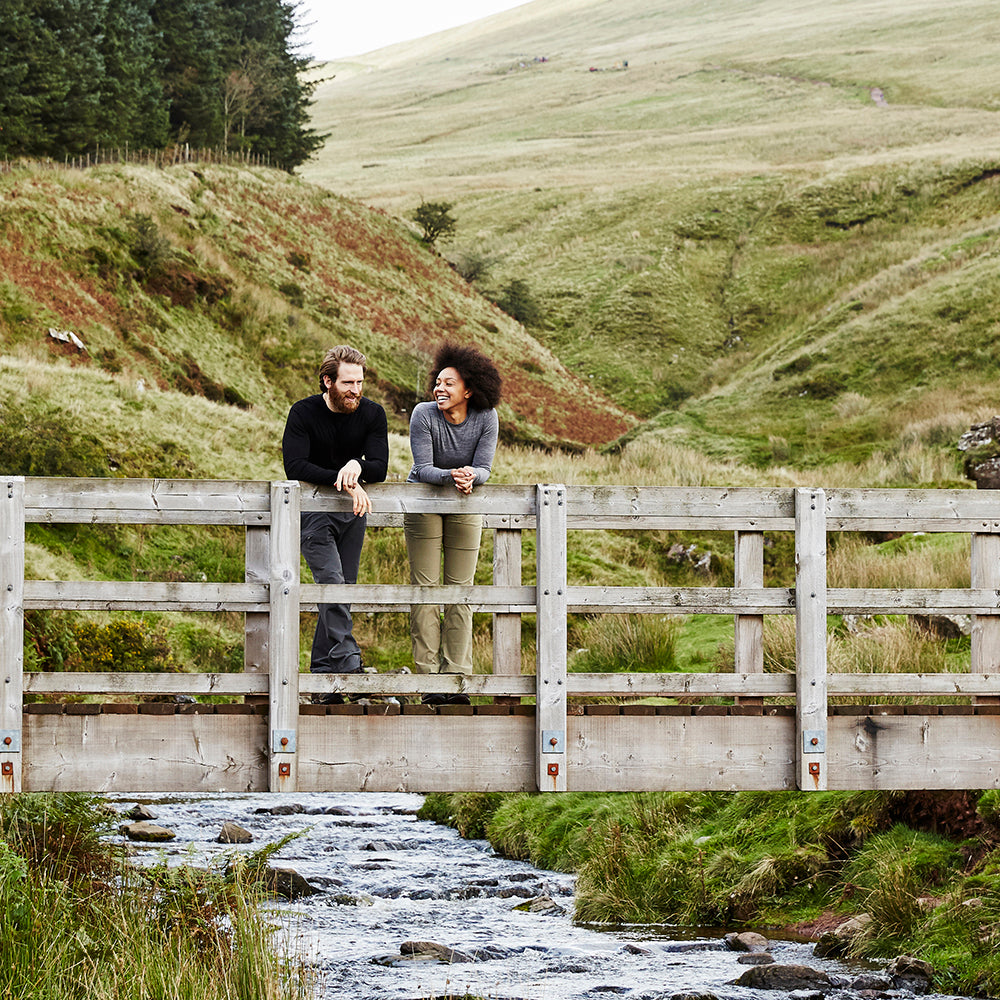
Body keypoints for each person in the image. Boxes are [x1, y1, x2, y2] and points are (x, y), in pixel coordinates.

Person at [282, 345, 388, 698]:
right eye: (347, 383)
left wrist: (357, 465)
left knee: (341, 590)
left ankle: (323, 678)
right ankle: (349, 665)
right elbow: (295, 466)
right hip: (313, 513)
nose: (355, 390)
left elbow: (380, 466)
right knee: (331, 583)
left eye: (359, 382)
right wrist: (342, 478)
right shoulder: (303, 413)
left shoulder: (372, 414)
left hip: (353, 513)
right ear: (327, 381)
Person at [404, 343, 502, 704]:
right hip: (424, 501)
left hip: (465, 501)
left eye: (450, 383)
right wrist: (456, 475)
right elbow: (424, 468)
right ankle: (429, 683)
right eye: (438, 382)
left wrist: (472, 476)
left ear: (469, 390)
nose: (440, 389)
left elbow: (485, 468)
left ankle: (456, 681)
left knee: (462, 592)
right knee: (426, 590)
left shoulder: (487, 416)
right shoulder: (423, 415)